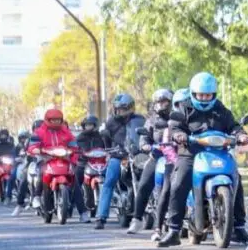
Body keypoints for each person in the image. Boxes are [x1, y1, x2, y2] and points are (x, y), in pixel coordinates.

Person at [157, 73, 248, 248]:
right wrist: (178, 134)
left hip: (218, 152)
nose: (204, 98)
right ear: (193, 93)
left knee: (236, 179)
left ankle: (238, 226)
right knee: (178, 182)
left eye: (208, 95)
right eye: (200, 95)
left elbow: (234, 126)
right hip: (191, 153)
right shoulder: (184, 108)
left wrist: (241, 135)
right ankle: (174, 230)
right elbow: (175, 126)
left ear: (214, 95)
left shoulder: (221, 110)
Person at [93, 94, 146, 229]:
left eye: (121, 109)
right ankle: (101, 217)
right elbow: (104, 140)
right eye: (116, 109)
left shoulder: (139, 120)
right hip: (118, 156)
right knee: (109, 181)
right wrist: (105, 137)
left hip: (135, 155)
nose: (118, 111)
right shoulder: (111, 122)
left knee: (148, 178)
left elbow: (146, 134)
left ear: (130, 108)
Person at [26, 108, 89, 221]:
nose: (56, 122)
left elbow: (74, 145)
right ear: (47, 119)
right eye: (53, 120)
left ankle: (83, 213)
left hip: (63, 159)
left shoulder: (66, 131)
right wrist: (39, 151)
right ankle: (36, 196)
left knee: (75, 181)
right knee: (41, 172)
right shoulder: (39, 132)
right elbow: (32, 147)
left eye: (58, 120)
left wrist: (74, 154)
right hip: (46, 159)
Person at [128, 88, 173, 235]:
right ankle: (137, 219)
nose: (162, 104)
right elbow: (145, 136)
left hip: (176, 157)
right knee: (143, 185)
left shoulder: (177, 117)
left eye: (165, 101)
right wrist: (144, 144)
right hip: (158, 156)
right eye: (159, 102)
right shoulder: (152, 120)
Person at [148, 89, 186, 243]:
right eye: (179, 104)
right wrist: (176, 160)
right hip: (173, 161)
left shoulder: (193, 119)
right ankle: (157, 227)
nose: (182, 106)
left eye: (185, 104)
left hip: (192, 160)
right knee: (167, 188)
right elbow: (166, 146)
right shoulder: (171, 123)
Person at [73, 116, 109, 215]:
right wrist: (79, 152)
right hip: (83, 163)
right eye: (86, 125)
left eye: (90, 125)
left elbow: (107, 147)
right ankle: (70, 204)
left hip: (99, 163)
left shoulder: (101, 136)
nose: (88, 127)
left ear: (95, 125)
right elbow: (75, 148)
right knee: (74, 182)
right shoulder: (79, 138)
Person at [12, 121, 45, 216]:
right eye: (37, 128)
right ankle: (19, 204)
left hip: (46, 163)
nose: (39, 130)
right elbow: (25, 150)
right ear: (33, 129)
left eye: (41, 127)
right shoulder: (30, 139)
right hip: (32, 163)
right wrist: (26, 153)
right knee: (24, 179)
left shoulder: (47, 137)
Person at [6, 129, 32, 204]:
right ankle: (8, 196)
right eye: (22, 138)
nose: (24, 140)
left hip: (29, 164)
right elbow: (13, 156)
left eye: (25, 138)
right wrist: (16, 159)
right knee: (11, 178)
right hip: (19, 165)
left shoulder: (31, 145)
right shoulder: (17, 147)